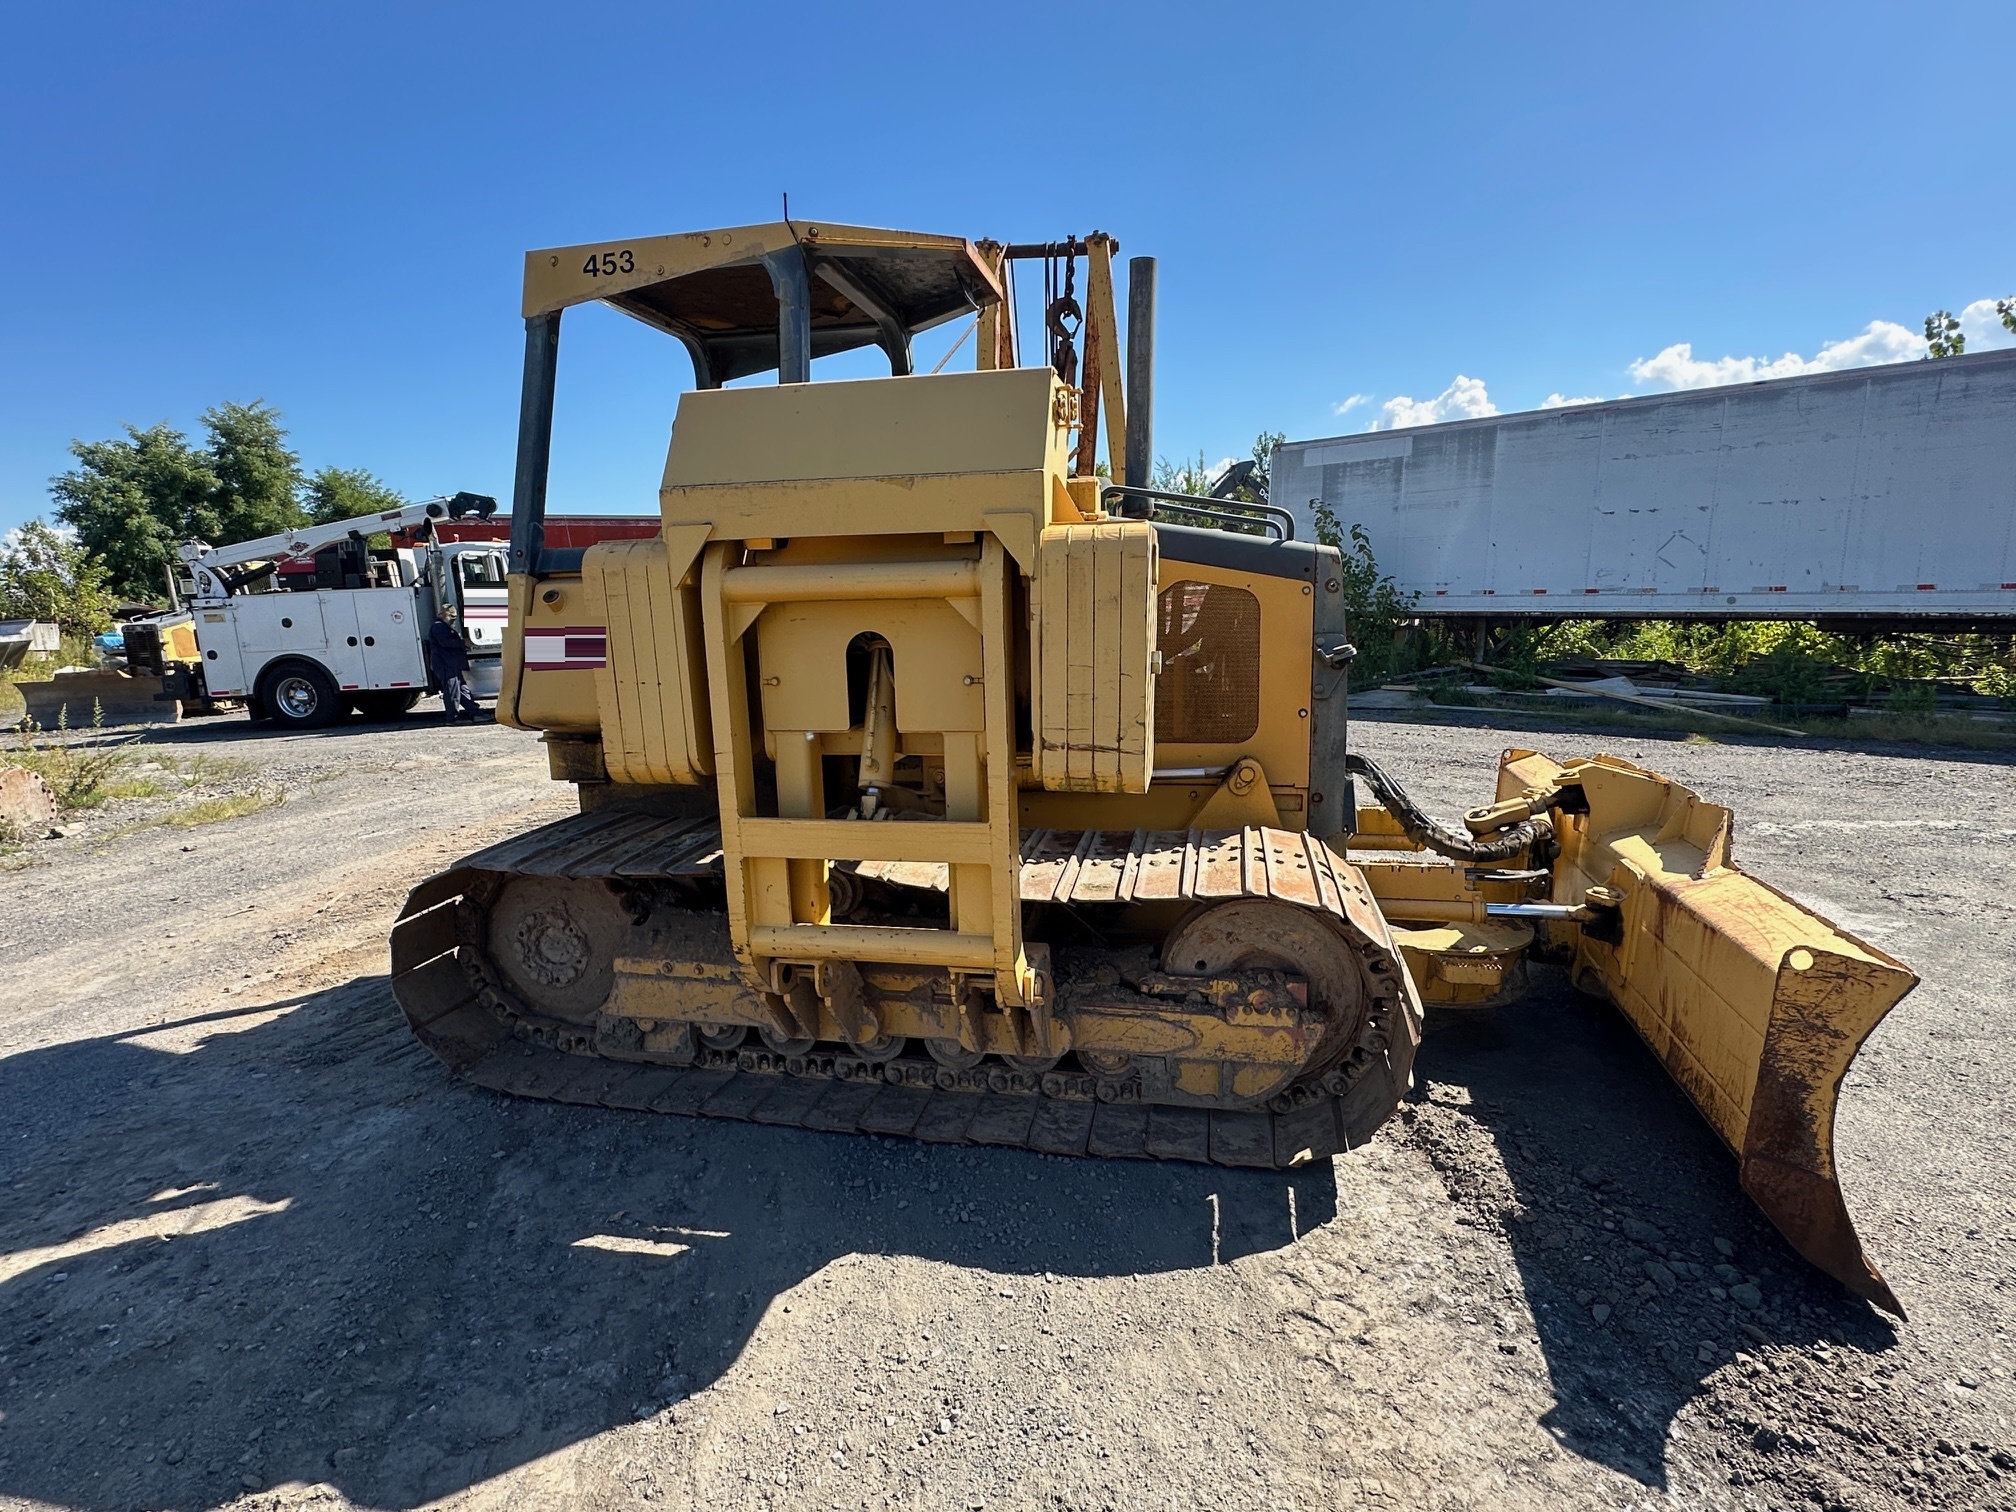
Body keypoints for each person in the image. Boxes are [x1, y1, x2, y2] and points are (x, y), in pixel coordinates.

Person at [427, 605, 482, 722]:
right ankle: (453, 718)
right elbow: (445, 643)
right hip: (445, 663)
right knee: (452, 692)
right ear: (442, 614)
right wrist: (463, 643)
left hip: (452, 663)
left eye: (455, 617)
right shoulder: (439, 627)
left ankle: (476, 713)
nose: (453, 619)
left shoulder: (444, 627)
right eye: (451, 616)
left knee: (462, 690)